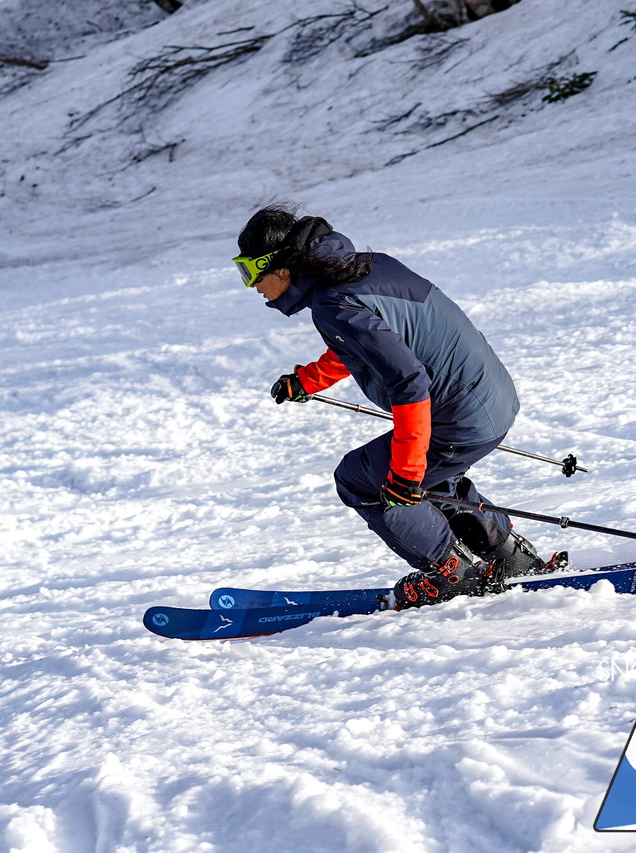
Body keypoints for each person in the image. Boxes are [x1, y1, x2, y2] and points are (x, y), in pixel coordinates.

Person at [233, 204, 555, 609]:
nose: (251, 287)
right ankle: (508, 555)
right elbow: (372, 343)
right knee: (432, 479)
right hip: (492, 399)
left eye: (249, 273)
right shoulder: (368, 267)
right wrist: (307, 380)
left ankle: (449, 572)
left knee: (364, 480)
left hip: (459, 416)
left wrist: (405, 472)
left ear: (279, 267)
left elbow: (408, 382)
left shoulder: (333, 304)